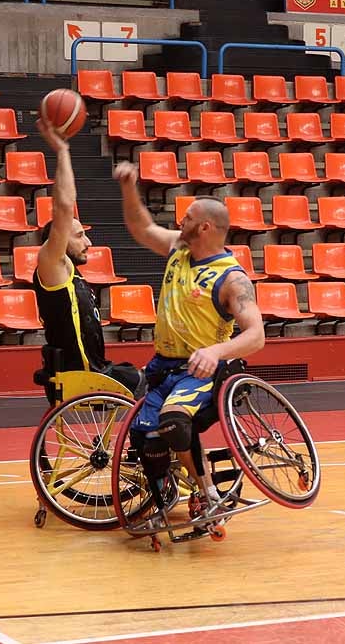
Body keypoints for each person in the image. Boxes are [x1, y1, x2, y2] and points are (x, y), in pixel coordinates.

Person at [114, 160, 266, 518]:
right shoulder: (177, 249)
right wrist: (127, 187)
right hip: (163, 366)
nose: (179, 222)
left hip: (202, 370)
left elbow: (256, 335)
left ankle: (209, 494)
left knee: (173, 421)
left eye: (186, 218)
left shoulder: (231, 279)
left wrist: (216, 351)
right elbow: (142, 228)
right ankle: (165, 487)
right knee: (145, 434)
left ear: (205, 227)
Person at [31, 114, 144, 401]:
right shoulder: (52, 264)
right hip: (84, 378)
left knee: (162, 375)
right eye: (79, 235)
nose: (89, 242)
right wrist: (63, 151)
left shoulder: (72, 274)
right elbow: (64, 205)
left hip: (99, 370)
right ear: (58, 238)